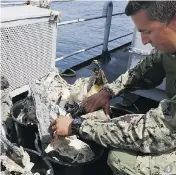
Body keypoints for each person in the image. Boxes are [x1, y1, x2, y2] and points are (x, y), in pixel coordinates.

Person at [50, 1, 176, 174]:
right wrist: (107, 92)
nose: (145, 41)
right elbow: (144, 70)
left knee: (121, 159)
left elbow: (153, 132)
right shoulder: (168, 50)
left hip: (168, 129)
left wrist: (77, 126)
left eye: (148, 32)